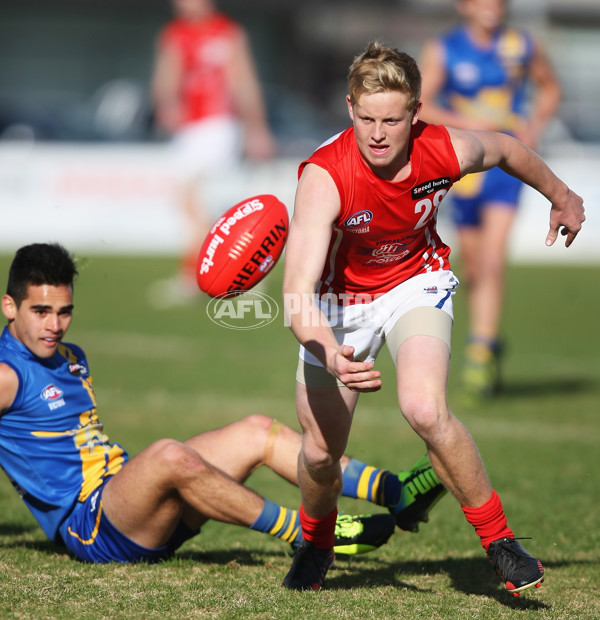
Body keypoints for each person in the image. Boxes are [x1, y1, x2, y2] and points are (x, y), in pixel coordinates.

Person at [281, 41, 584, 592]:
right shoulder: (325, 177)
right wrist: (330, 352)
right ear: (349, 109)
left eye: (392, 120)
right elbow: (297, 292)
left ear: (416, 113)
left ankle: (501, 544)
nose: (377, 134)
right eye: (366, 118)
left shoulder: (445, 148)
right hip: (336, 307)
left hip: (415, 281)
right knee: (321, 452)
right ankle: (317, 538)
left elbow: (509, 150)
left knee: (424, 407)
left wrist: (561, 195)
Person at [0, 243, 447, 565]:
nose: (55, 324)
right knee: (168, 454)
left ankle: (395, 491)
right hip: (92, 525)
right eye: (41, 311)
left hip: (126, 495)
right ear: (9, 306)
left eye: (64, 311)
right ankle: (309, 533)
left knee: (257, 430)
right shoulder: (7, 375)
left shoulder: (70, 356)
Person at [418, 0, 562, 399]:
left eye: (498, 2)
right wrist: (470, 124)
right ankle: (488, 342)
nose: (491, 8)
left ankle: (481, 349)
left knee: (494, 256)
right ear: (463, 6)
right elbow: (424, 103)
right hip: (465, 167)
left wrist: (534, 123)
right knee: (475, 265)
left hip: (507, 165)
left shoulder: (520, 44)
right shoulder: (444, 49)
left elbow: (550, 85)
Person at [149, 0, 277, 308]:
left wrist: (256, 128)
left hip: (218, 124)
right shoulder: (175, 33)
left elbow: (244, 82)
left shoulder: (227, 33)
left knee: (195, 199)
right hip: (190, 128)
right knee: (197, 203)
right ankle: (241, 271)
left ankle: (196, 275)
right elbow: (166, 76)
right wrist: (165, 104)